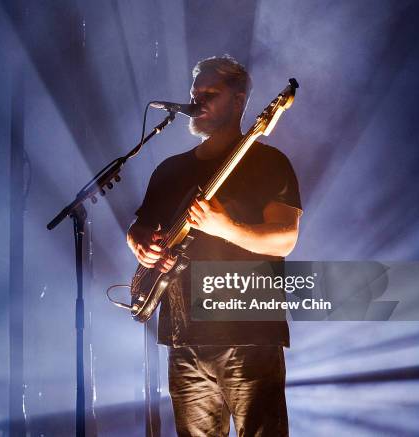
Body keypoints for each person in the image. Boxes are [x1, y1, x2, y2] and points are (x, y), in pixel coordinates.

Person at [126, 55, 302, 436]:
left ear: (239, 102)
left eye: (211, 93)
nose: (198, 101)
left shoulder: (268, 162)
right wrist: (141, 245)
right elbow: (138, 228)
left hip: (249, 333)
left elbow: (286, 237)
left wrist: (224, 227)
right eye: (195, 94)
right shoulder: (169, 169)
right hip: (183, 336)